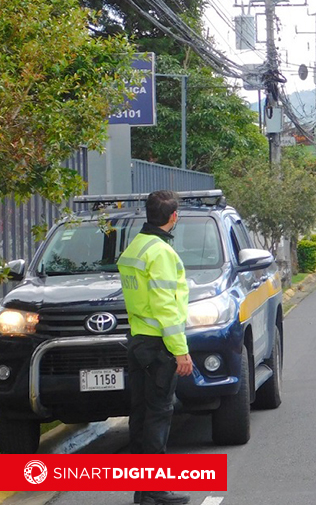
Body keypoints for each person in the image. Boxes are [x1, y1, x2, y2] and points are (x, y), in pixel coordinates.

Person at [117, 190, 193, 505]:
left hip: (138, 342)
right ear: (173, 217)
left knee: (141, 415)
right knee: (159, 414)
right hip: (159, 343)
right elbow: (166, 307)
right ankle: (156, 489)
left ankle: (143, 489)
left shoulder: (135, 247)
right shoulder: (160, 252)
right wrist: (180, 350)